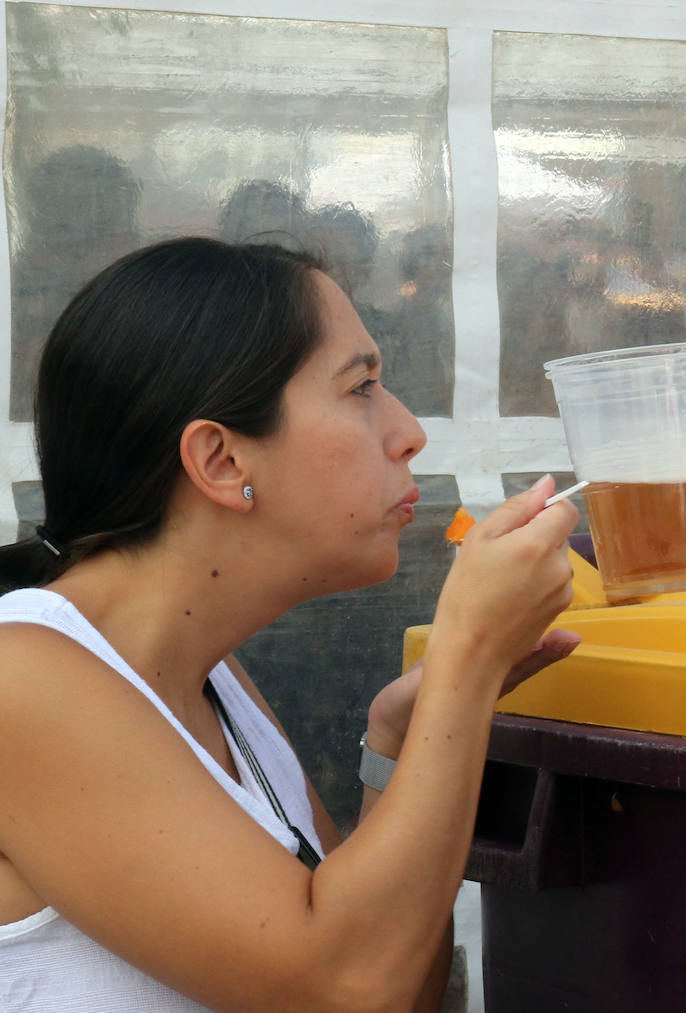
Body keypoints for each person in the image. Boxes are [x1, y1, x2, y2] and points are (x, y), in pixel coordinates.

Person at [0, 237, 579, 1010]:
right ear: (223, 461)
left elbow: (399, 977)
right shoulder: (25, 679)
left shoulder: (209, 676)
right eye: (362, 387)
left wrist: (397, 745)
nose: (408, 430)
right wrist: (468, 660)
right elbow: (346, 990)